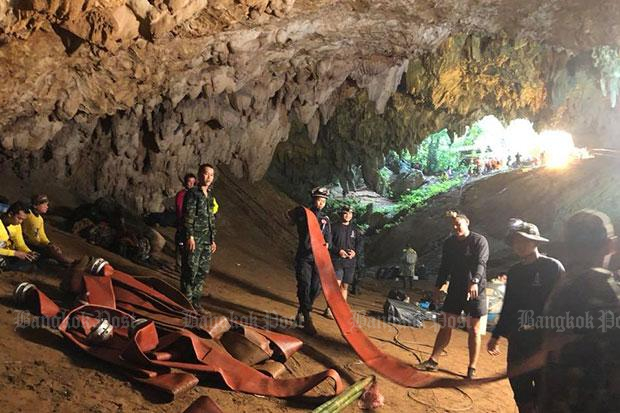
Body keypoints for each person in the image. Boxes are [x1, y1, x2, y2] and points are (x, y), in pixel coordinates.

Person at [538, 210, 620, 412]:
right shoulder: (604, 288)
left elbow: (552, 344)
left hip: (556, 399)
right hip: (593, 400)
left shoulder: (562, 288)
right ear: (611, 245)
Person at [487, 219, 564, 413]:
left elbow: (564, 303)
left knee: (543, 391)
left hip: (544, 340)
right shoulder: (515, 272)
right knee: (520, 388)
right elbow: (509, 305)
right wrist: (496, 335)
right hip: (519, 340)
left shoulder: (552, 267)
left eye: (525, 241)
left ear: (536, 242)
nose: (519, 245)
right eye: (516, 241)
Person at [418, 211, 489, 379]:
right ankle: (433, 360)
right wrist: (438, 286)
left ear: (467, 223)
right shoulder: (450, 243)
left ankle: (472, 367)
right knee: (447, 324)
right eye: (454, 225)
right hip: (456, 289)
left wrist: (475, 281)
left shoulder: (479, 241)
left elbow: (481, 263)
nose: (456, 227)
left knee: (474, 329)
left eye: (459, 224)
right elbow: (445, 266)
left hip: (475, 291)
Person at [288, 187, 332, 335]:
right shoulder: (304, 213)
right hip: (304, 256)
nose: (321, 203)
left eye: (324, 201)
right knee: (304, 284)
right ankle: (307, 317)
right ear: (314, 200)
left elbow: (329, 239)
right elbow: (289, 218)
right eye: (319, 200)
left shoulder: (326, 219)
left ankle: (302, 310)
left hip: (319, 259)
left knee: (315, 288)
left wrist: (327, 244)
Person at [181, 164, 217, 312]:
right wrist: (190, 236)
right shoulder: (193, 194)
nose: (209, 177)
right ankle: (185, 303)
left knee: (202, 271)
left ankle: (196, 302)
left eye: (211, 175)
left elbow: (211, 219)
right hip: (194, 239)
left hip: (206, 241)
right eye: (206, 174)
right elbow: (188, 216)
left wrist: (212, 239)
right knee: (190, 270)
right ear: (200, 175)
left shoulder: (209, 196)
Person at [323, 205, 362, 319]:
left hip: (350, 262)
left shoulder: (355, 229)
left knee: (345, 286)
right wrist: (338, 251)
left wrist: (354, 252)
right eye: (345, 213)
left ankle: (340, 309)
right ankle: (330, 308)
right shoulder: (333, 227)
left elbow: (359, 244)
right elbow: (329, 244)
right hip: (337, 260)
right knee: (336, 285)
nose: (348, 215)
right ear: (341, 214)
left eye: (350, 213)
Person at [22, 194, 74, 266]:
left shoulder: (40, 219)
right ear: (35, 205)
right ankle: (70, 263)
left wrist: (49, 244)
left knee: (53, 248)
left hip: (35, 244)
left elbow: (42, 235)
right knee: (50, 250)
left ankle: (69, 263)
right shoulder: (26, 214)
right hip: (27, 244)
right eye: (45, 205)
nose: (47, 207)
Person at [0, 202, 38, 271]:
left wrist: (29, 252)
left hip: (5, 251)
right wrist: (15, 253)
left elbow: (20, 243)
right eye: (19, 218)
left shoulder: (16, 226)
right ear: (10, 214)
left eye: (23, 219)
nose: (20, 222)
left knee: (30, 262)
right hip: (4, 252)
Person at [175, 173, 197, 269]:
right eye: (189, 182)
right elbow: (179, 208)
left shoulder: (195, 195)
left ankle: (187, 265)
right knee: (181, 244)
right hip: (183, 223)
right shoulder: (182, 194)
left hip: (192, 225)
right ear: (185, 183)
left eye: (193, 182)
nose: (191, 184)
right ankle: (179, 264)